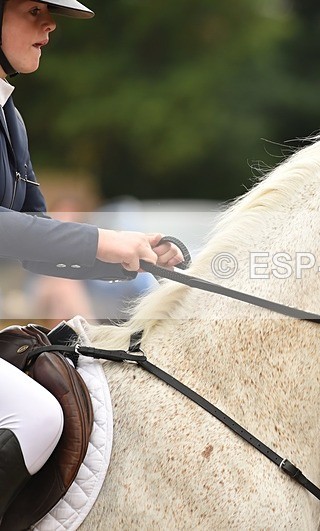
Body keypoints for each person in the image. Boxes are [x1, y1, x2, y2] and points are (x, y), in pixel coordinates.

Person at [0, 0, 184, 519]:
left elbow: (33, 239)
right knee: (36, 415)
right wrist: (106, 241)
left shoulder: (9, 117)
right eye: (34, 10)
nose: (49, 25)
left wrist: (130, 259)